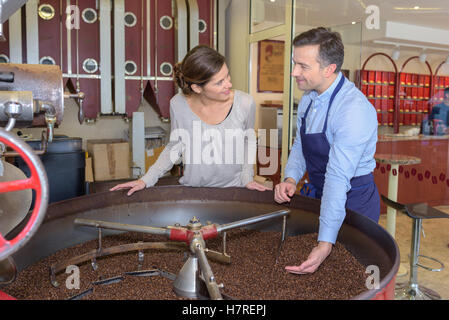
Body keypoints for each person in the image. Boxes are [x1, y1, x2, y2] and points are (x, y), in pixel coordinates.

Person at [274, 27, 380, 274]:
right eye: (294, 63)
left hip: (354, 200)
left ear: (329, 69)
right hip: (321, 194)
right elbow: (301, 144)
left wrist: (325, 243)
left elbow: (337, 177)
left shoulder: (353, 111)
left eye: (303, 66)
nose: (294, 72)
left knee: (348, 274)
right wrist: (291, 177)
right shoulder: (310, 99)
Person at [111, 45, 270, 195]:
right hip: (193, 191)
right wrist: (146, 179)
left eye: (227, 75)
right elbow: (175, 146)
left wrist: (247, 178)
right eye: (219, 82)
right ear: (197, 88)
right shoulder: (178, 104)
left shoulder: (245, 103)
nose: (229, 84)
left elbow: (248, 141)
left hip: (234, 191)